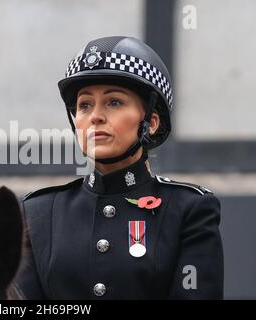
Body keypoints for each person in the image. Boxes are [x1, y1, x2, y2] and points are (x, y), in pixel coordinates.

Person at [14, 36, 223, 299]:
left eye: (114, 102)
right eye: (84, 105)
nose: (95, 116)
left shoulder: (189, 210)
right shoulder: (37, 213)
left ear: (152, 122)